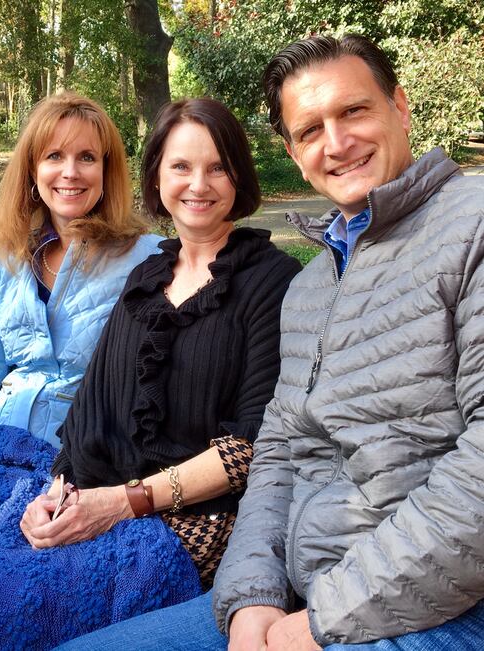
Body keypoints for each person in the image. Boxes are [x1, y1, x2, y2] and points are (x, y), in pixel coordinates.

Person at [54, 34, 484, 651]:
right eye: (310, 130)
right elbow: (282, 452)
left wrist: (318, 621)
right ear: (292, 150)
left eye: (354, 111)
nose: (336, 143)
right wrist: (251, 595)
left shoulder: (471, 224)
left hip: (438, 599)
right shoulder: (314, 285)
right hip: (301, 590)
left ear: (401, 105)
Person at [20, 97, 302, 587]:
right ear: (156, 178)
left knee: (14, 605)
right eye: (181, 166)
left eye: (218, 167)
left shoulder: (273, 282)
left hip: (200, 527)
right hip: (102, 504)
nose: (198, 184)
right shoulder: (145, 278)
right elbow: (90, 408)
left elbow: (254, 447)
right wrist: (58, 496)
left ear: (240, 177)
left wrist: (124, 502)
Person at [0, 92, 161, 518]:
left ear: (107, 171)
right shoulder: (11, 258)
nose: (70, 172)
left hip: (87, 470)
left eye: (87, 157)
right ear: (33, 170)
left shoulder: (149, 258)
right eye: (54, 155)